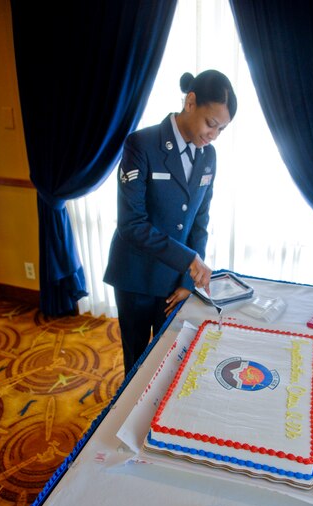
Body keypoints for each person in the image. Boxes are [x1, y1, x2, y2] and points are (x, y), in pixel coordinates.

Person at [104, 69, 237, 375]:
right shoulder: (142, 145)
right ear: (191, 102)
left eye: (221, 130)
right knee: (136, 364)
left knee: (172, 362)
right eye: (211, 124)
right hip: (135, 278)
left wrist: (188, 281)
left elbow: (200, 222)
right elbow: (131, 224)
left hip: (175, 282)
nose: (213, 135)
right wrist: (189, 260)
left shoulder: (209, 157)